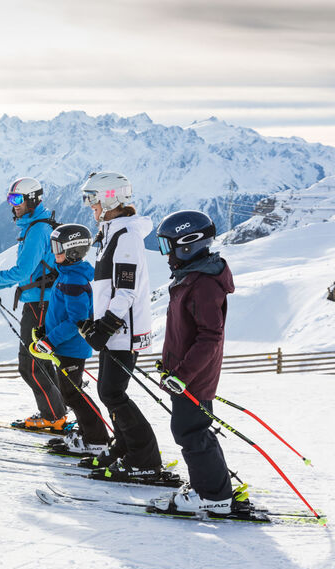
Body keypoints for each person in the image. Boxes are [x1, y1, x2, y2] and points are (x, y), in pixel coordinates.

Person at [76, 171, 163, 483]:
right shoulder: (112, 232)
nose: (90, 205)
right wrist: (98, 322)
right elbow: (108, 288)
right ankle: (125, 447)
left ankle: (145, 458)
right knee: (109, 391)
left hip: (124, 331)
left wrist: (107, 326)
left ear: (110, 198)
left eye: (93, 198)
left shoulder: (126, 236)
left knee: (112, 393)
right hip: (115, 329)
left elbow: (126, 290)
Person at [151, 210, 238, 514]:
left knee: (190, 431)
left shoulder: (203, 284)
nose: (166, 254)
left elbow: (210, 336)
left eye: (168, 246)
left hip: (194, 377)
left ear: (188, 244)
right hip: (186, 373)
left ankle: (214, 496)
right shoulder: (191, 278)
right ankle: (213, 487)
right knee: (194, 429)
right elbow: (184, 332)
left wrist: (183, 374)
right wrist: (171, 366)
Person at [0, 177, 68, 432]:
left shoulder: (37, 230)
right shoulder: (38, 225)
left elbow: (22, 271)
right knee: (40, 360)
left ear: (32, 200)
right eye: (10, 199)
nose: (13, 204)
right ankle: (56, 412)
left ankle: (53, 416)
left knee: (30, 364)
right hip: (43, 301)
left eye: (17, 199)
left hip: (40, 304)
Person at [30, 224, 110, 455]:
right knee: (70, 393)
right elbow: (62, 312)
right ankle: (88, 436)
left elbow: (77, 320)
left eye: (58, 248)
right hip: (64, 345)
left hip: (72, 348)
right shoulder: (67, 273)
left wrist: (50, 341)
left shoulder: (74, 279)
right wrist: (46, 332)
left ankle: (97, 440)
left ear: (73, 251)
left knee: (72, 394)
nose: (53, 252)